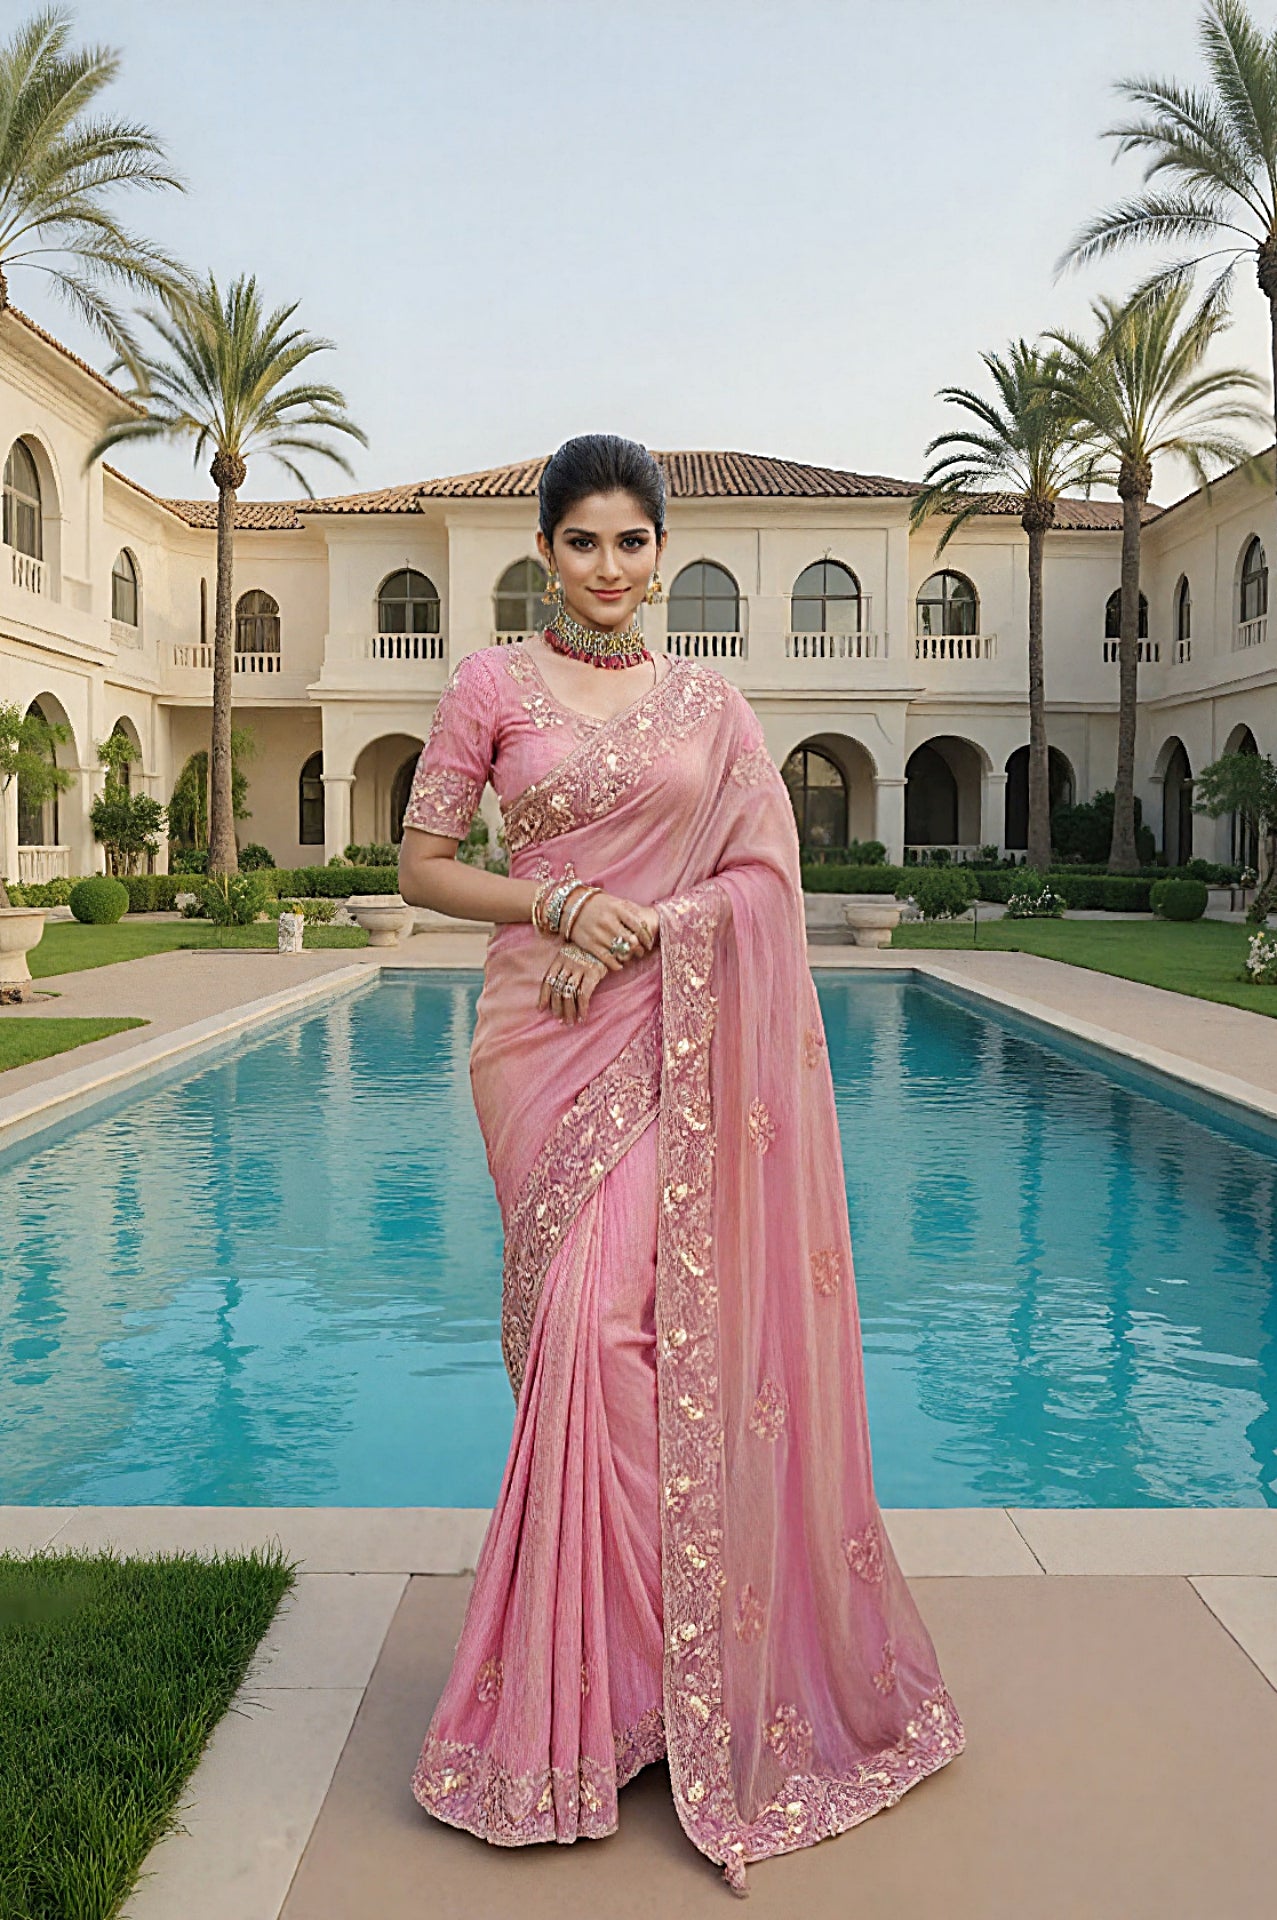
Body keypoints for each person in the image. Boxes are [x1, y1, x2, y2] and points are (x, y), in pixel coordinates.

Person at [398, 434, 964, 1896]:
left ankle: (666, 1671)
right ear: (544, 553)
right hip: (540, 1038)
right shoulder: (486, 689)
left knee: (637, 1337)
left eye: (629, 543)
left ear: (661, 552)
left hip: (673, 1032)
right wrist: (561, 899)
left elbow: (764, 878)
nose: (605, 568)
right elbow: (421, 866)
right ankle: (615, 1682)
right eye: (579, 543)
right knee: (576, 1337)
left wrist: (657, 930)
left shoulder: (712, 703)